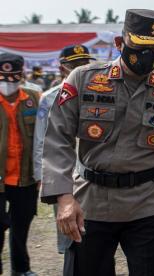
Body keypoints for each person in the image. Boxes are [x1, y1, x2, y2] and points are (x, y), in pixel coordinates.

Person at [40, 9, 154, 276]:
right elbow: (57, 139)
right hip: (90, 203)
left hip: (149, 204)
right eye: (141, 47)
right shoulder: (84, 79)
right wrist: (64, 197)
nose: (149, 55)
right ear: (120, 43)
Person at [33, 44, 95, 254]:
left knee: (96, 233)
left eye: (85, 63)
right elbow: (42, 139)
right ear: (62, 68)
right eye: (76, 65)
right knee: (70, 235)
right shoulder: (50, 97)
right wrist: (41, 175)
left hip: (92, 172)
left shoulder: (102, 93)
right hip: (64, 172)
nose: (81, 69)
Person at [0, 53, 40, 276]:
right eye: (3, 79)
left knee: (21, 225)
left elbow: (43, 138)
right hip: (0, 177)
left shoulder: (34, 98)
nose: (8, 84)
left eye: (12, 78)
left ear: (21, 76)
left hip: (25, 176)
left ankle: (21, 268)